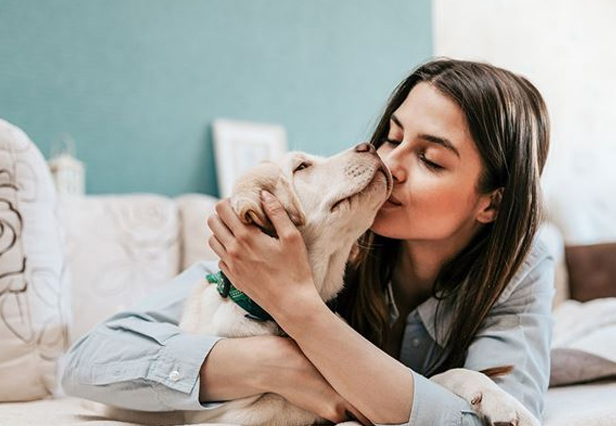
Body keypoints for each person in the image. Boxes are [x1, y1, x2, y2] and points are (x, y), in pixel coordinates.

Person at [61, 58, 555, 426]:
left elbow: (492, 418)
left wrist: (300, 308)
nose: (391, 163)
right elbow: (87, 363)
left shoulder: (521, 267)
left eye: (430, 159)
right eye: (392, 136)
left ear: (491, 202)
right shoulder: (315, 235)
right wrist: (273, 364)